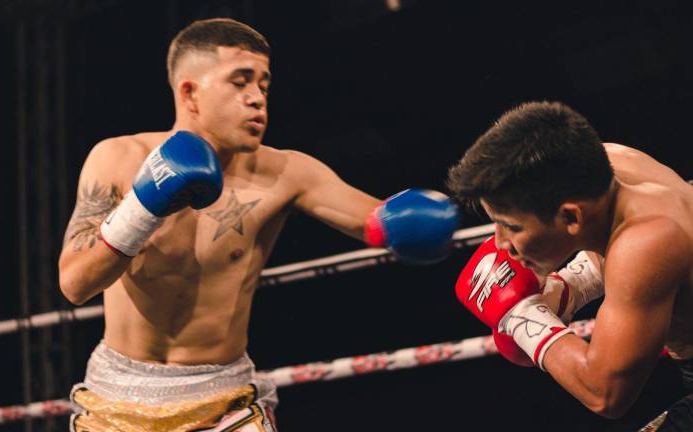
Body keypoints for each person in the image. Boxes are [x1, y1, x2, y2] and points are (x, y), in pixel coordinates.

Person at [58, 17, 458, 432]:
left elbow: (378, 220)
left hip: (222, 403)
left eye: (264, 86)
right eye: (240, 82)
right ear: (190, 93)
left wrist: (413, 223)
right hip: (117, 399)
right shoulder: (118, 159)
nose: (256, 99)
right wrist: (144, 206)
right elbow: (75, 284)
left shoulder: (287, 172)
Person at [448, 101, 693, 430]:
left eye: (512, 226)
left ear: (570, 217)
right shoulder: (608, 165)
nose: (501, 242)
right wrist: (571, 287)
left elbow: (604, 393)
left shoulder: (647, 243)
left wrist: (522, 317)